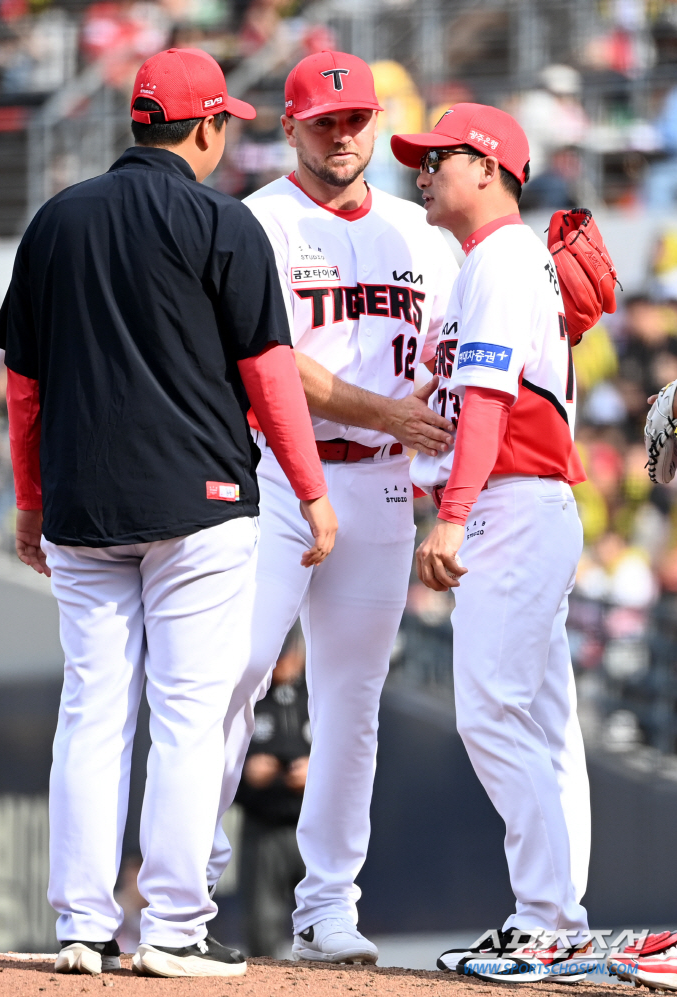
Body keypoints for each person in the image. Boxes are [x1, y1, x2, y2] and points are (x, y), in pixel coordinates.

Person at [0, 46, 337, 980]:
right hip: (202, 502)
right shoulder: (221, 221)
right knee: (189, 717)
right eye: (225, 122)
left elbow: (22, 386)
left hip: (81, 503)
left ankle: (82, 928)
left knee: (91, 715)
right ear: (205, 126)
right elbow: (270, 375)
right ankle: (175, 929)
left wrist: (28, 501)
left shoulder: (55, 220)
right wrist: (310, 489)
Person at [205, 50, 459, 965]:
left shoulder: (420, 234)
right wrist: (392, 411)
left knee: (353, 704)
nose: (344, 135)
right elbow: (273, 364)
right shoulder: (258, 223)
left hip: (386, 479)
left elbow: (450, 359)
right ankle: (194, 875)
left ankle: (328, 905)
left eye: (357, 120)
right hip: (279, 469)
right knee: (232, 675)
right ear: (291, 127)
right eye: (326, 121)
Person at [391, 103, 592, 981]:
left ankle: (552, 918)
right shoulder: (493, 260)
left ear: (489, 165)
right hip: (525, 504)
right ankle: (556, 917)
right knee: (541, 724)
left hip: (515, 502)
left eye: (439, 158)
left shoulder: (505, 257)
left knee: (491, 711)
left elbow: (489, 401)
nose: (423, 170)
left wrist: (454, 514)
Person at [236, 627, 310, 957]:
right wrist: (246, 770)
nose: (283, 661)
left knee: (321, 923)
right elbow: (214, 760)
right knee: (263, 928)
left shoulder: (317, 693)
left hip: (313, 826)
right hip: (262, 826)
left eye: (289, 652)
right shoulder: (247, 692)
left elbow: (357, 756)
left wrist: (318, 770)